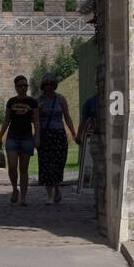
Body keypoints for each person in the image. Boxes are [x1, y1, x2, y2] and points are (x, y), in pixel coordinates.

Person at [0, 75, 39, 206]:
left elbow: (36, 121)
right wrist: (0, 136)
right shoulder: (11, 102)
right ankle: (15, 188)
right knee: (13, 166)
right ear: (16, 87)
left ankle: (24, 197)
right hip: (12, 137)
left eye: (25, 85)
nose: (23, 88)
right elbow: (6, 120)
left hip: (26, 137)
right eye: (20, 85)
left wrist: (37, 136)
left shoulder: (33, 102)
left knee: (24, 169)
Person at [36, 72, 76, 204]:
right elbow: (34, 120)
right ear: (43, 85)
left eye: (51, 84)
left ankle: (57, 187)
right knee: (46, 164)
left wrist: (73, 133)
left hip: (58, 134)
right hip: (45, 134)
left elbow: (67, 117)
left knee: (59, 163)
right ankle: (49, 195)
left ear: (55, 85)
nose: (49, 86)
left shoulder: (60, 99)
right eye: (47, 84)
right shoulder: (38, 100)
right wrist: (38, 112)